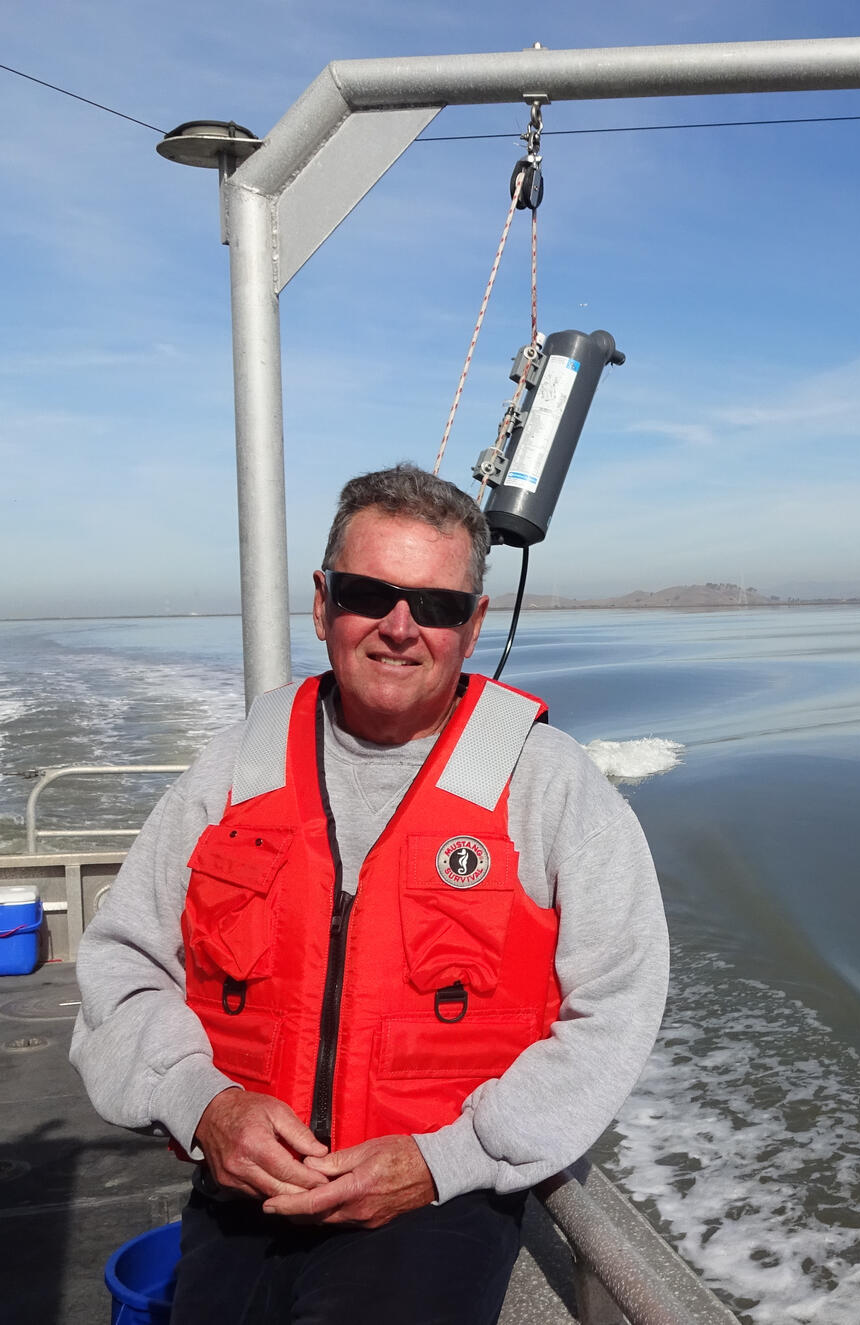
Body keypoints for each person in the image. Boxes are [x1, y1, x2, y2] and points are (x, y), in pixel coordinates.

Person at [71, 463, 670, 1324]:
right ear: (322, 604)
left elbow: (618, 1002)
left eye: (436, 605)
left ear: (473, 626)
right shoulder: (239, 766)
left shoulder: (547, 784)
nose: (400, 627)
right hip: (240, 1187)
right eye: (368, 593)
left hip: (434, 1203)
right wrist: (206, 1104)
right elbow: (123, 963)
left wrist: (447, 1157)